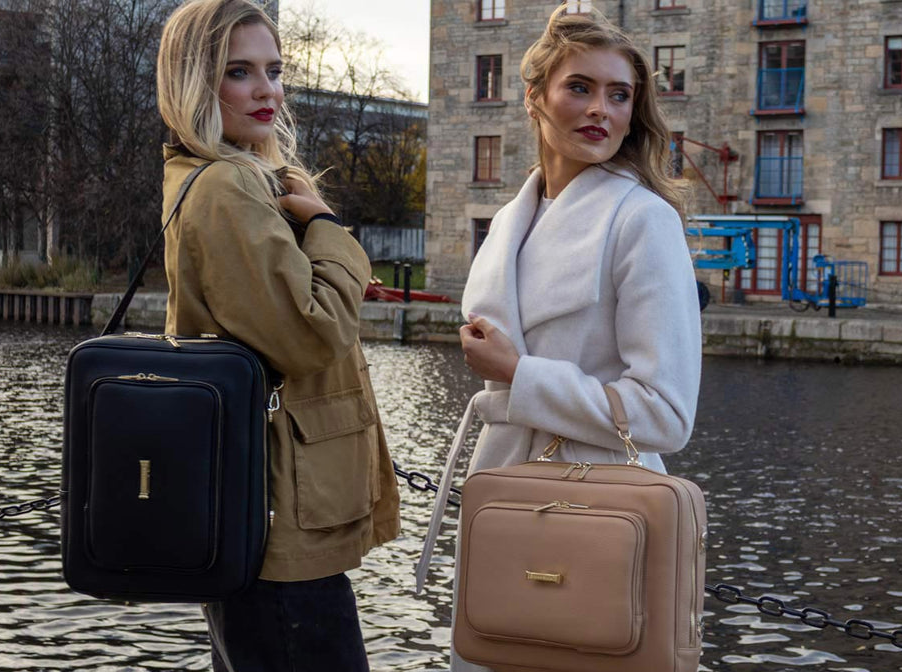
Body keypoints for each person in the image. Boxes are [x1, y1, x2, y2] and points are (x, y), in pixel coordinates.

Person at [451, 6, 702, 671]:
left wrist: (522, 376)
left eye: (620, 95)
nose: (602, 110)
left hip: (601, 504)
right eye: (580, 88)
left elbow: (667, 411)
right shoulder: (513, 218)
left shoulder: (643, 220)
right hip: (505, 494)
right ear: (534, 97)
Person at [155, 1, 400, 670]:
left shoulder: (231, 176)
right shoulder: (228, 187)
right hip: (279, 526)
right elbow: (310, 335)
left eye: (274, 68)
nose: (267, 90)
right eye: (240, 72)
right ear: (196, 83)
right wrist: (329, 230)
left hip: (263, 510)